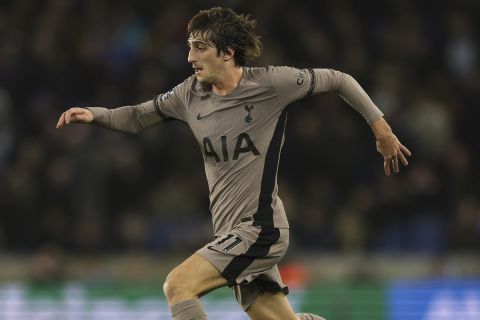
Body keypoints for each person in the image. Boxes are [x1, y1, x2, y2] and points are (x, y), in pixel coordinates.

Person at [56, 7, 411, 320]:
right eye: (189, 45)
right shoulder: (188, 94)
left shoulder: (271, 84)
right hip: (229, 233)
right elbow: (137, 116)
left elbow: (338, 79)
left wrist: (380, 127)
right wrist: (94, 114)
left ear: (227, 52)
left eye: (199, 47)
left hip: (261, 230)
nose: (189, 56)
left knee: (178, 286)